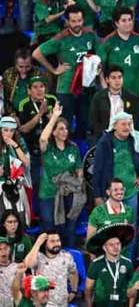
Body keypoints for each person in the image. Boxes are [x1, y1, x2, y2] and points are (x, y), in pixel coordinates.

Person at [33, 6, 98, 139]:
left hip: (86, 88)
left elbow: (98, 56)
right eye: (73, 21)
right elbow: (37, 53)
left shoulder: (90, 35)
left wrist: (98, 67)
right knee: (64, 127)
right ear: (67, 21)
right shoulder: (61, 38)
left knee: (84, 125)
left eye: (79, 20)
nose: (77, 24)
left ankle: (81, 154)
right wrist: (54, 70)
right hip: (66, 89)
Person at [91, 112, 139, 226]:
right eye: (123, 124)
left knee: (130, 226)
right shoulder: (105, 142)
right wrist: (97, 196)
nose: (127, 127)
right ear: (115, 126)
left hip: (131, 191)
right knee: (111, 227)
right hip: (110, 193)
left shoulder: (136, 138)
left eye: (129, 124)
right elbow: (97, 171)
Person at [37, 102, 84, 248]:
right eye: (61, 129)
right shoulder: (48, 148)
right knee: (49, 226)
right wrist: (54, 118)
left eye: (66, 129)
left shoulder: (73, 148)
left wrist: (77, 186)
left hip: (67, 193)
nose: (65, 131)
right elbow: (42, 139)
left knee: (68, 228)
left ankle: (68, 255)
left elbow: (79, 171)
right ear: (54, 131)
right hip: (48, 193)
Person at [84, 223, 135, 307]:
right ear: (104, 248)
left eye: (118, 244)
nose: (116, 247)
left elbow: (131, 289)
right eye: (111, 245)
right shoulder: (96, 264)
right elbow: (88, 290)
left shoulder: (127, 263)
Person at [23, 233, 78, 306]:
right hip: (43, 302)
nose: (56, 244)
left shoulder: (66, 256)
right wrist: (37, 243)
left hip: (62, 302)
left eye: (58, 241)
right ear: (45, 244)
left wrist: (74, 291)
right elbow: (28, 264)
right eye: (52, 241)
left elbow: (73, 272)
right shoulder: (38, 257)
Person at [88, 66, 139, 136]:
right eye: (113, 78)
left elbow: (135, 122)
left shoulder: (132, 98)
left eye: (120, 77)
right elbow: (93, 121)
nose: (117, 81)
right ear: (107, 80)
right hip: (104, 135)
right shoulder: (98, 97)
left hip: (125, 135)